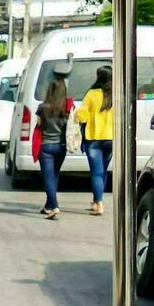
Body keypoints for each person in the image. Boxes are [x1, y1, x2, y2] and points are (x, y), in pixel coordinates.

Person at [34, 75, 73, 220]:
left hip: (46, 146)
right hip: (61, 146)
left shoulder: (42, 108)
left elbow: (38, 125)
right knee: (54, 174)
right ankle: (48, 205)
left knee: (48, 177)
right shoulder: (68, 107)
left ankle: (54, 206)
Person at [76, 65, 114, 216]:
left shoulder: (92, 94)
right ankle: (96, 201)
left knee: (96, 173)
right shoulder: (117, 94)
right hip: (112, 139)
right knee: (103, 171)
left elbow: (81, 116)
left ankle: (100, 204)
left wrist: (77, 114)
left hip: (94, 139)